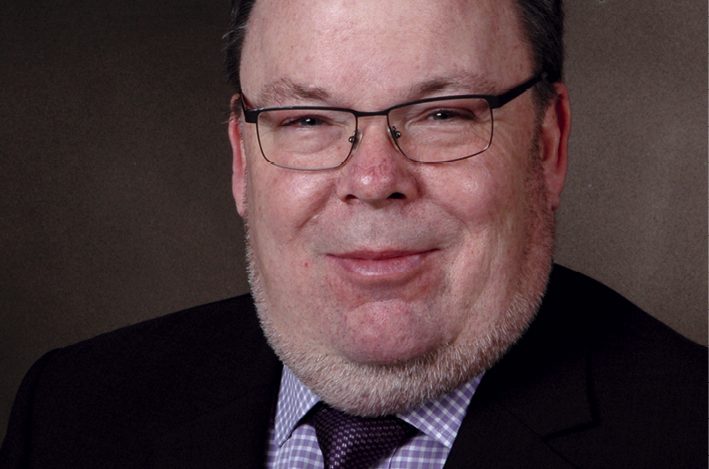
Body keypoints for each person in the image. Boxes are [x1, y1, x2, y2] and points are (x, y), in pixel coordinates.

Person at [1, 0, 705, 467]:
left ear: (547, 146)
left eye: (443, 114)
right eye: (307, 120)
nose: (372, 179)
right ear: (242, 161)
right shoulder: (73, 413)